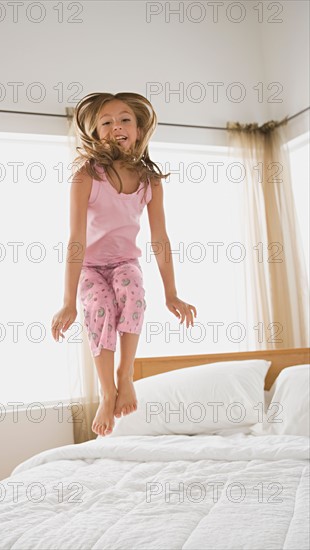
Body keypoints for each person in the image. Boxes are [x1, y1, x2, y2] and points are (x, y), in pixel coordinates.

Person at [51, 92, 197, 437]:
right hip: (89, 266)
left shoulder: (150, 181)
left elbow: (160, 238)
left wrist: (172, 293)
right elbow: (75, 240)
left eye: (125, 119)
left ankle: (125, 375)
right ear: (96, 132)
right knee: (100, 307)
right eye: (106, 122)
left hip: (124, 262)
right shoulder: (87, 176)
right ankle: (106, 391)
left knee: (132, 290)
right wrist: (68, 301)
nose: (116, 126)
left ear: (138, 128)